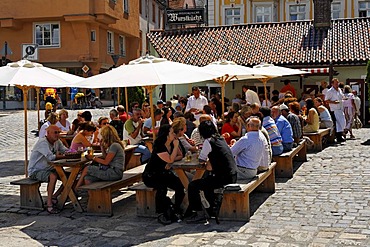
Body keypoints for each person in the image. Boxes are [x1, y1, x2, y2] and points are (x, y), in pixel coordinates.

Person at [186, 120, 237, 223]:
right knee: (207, 181)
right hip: (232, 174)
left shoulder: (208, 142)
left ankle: (199, 213)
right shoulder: (220, 139)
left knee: (192, 186)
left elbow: (201, 160)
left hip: (223, 177)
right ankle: (210, 208)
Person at [142, 124, 185, 225]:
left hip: (164, 173)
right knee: (162, 188)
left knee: (180, 185)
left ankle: (175, 208)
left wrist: (170, 161)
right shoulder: (160, 145)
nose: (173, 134)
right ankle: (161, 212)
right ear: (166, 134)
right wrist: (174, 150)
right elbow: (171, 158)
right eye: (171, 132)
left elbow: (179, 156)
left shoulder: (171, 143)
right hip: (152, 175)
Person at [28, 125, 69, 214]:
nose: (57, 135)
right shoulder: (43, 143)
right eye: (55, 132)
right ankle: (49, 204)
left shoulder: (57, 142)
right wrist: (63, 155)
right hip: (36, 170)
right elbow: (50, 157)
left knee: (69, 177)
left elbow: (66, 150)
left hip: (49, 168)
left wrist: (74, 152)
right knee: (53, 176)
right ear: (48, 133)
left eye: (58, 132)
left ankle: (55, 196)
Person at [75, 125, 126, 190]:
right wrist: (102, 146)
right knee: (88, 178)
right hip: (113, 171)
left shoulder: (114, 146)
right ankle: (91, 194)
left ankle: (77, 188)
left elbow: (106, 162)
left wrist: (93, 158)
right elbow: (105, 157)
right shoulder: (113, 145)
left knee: (87, 169)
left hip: (115, 172)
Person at [325, 78, 346, 142]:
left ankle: (341, 134)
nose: (337, 84)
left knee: (342, 122)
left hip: (340, 108)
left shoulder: (339, 90)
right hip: (334, 109)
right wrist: (334, 102)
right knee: (337, 123)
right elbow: (326, 100)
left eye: (338, 83)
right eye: (336, 83)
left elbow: (342, 96)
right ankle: (338, 137)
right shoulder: (330, 91)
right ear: (332, 84)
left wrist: (345, 98)